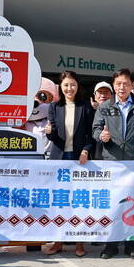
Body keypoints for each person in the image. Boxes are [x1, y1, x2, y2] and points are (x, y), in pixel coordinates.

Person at [92, 68, 134, 260]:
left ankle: (130, 244)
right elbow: (95, 130)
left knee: (131, 204)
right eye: (118, 83)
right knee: (112, 204)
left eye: (125, 84)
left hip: (133, 163)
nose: (121, 87)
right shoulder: (105, 106)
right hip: (111, 163)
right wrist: (101, 136)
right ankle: (110, 245)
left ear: (132, 85)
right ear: (113, 85)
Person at [43, 71, 95, 257]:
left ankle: (79, 243)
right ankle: (58, 242)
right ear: (61, 87)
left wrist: (86, 150)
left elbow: (91, 135)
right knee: (60, 201)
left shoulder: (86, 107)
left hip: (79, 159)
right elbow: (53, 135)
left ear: (77, 86)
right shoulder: (54, 107)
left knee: (78, 201)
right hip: (59, 158)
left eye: (72, 84)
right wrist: (49, 131)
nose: (69, 88)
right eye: (66, 85)